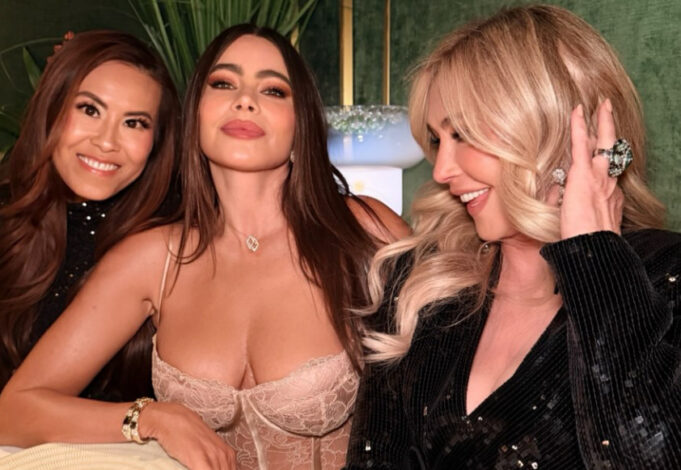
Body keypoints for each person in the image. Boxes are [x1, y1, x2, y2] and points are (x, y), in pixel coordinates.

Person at [0, 24, 409, 469]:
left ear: (303, 123)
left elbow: (448, 388)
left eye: (273, 90)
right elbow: (12, 410)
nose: (245, 100)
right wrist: (151, 418)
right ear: (194, 114)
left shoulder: (363, 230)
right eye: (223, 83)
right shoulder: (151, 258)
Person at [345, 5, 681, 469]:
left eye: (463, 134)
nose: (441, 171)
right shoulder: (422, 282)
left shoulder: (667, 276)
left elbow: (650, 455)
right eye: (438, 140)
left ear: (549, 125)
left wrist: (596, 259)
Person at [0, 31, 180, 401]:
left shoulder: (174, 240)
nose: (106, 142)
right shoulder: (9, 213)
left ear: (157, 142)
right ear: (52, 109)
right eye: (90, 110)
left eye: (134, 123)